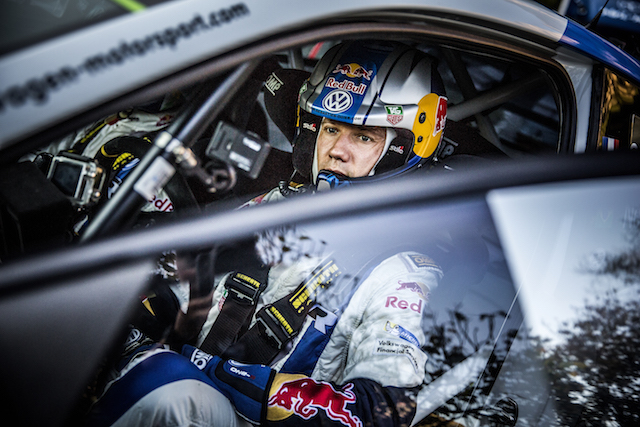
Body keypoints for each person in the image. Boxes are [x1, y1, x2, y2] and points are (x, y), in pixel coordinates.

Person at [86, 39, 449, 427]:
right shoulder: (275, 205)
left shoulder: (400, 273)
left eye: (364, 137)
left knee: (170, 389)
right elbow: (187, 293)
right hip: (184, 385)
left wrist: (221, 373)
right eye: (330, 129)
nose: (336, 150)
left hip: (236, 413)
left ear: (400, 151)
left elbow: (379, 411)